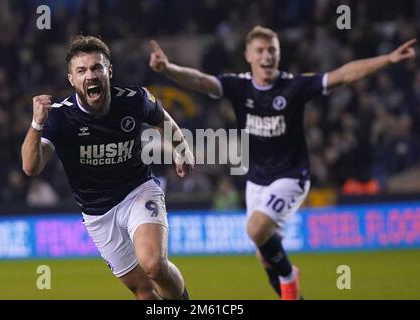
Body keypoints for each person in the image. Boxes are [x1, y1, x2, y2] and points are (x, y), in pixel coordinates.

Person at [149, 26, 416, 300]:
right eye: (261, 51)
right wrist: (168, 68)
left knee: (255, 228)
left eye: (272, 51)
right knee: (266, 257)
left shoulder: (293, 86)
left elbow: (343, 75)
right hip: (257, 181)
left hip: (291, 176)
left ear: (278, 55)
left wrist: (387, 59)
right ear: (248, 56)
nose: (267, 56)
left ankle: (290, 276)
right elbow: (201, 81)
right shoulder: (239, 86)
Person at [21, 35, 194, 300]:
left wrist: (182, 150)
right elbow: (31, 167)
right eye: (81, 70)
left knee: (154, 265)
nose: (90, 75)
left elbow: (162, 119)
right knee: (144, 292)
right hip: (97, 213)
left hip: (138, 191)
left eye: (96, 67)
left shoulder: (134, 99)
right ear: (72, 80)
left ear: (108, 71)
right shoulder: (60, 117)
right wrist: (36, 124)